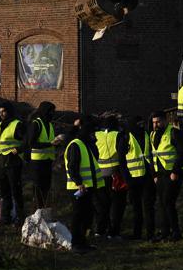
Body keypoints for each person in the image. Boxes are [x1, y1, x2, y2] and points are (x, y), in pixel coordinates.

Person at [65, 116, 103, 253]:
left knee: (86, 215)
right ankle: (76, 243)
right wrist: (79, 182)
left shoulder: (86, 144)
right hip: (78, 187)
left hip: (87, 186)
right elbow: (72, 166)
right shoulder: (76, 144)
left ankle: (83, 242)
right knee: (78, 216)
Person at [150, 110, 183, 242]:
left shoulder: (174, 132)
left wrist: (175, 171)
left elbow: (182, 153)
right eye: (154, 122)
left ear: (165, 121)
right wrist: (154, 174)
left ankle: (176, 232)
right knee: (162, 203)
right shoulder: (153, 134)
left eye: (158, 122)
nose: (156, 125)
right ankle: (165, 232)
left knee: (168, 202)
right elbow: (153, 154)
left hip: (172, 173)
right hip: (160, 174)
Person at [121, 116, 154, 240]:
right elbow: (122, 160)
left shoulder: (147, 134)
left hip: (147, 176)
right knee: (137, 208)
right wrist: (126, 178)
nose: (140, 127)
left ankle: (150, 234)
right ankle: (137, 233)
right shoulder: (126, 137)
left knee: (148, 206)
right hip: (133, 178)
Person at [0, 102, 25, 224]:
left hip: (13, 162)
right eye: (0, 111)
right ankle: (6, 217)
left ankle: (20, 217)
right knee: (4, 191)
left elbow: (26, 140)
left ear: (9, 111)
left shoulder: (17, 124)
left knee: (16, 190)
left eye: (4, 111)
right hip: (1, 162)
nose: (1, 114)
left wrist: (19, 150)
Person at [95, 116, 124, 239]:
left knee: (102, 205)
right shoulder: (118, 135)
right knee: (116, 205)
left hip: (100, 175)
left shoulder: (96, 135)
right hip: (115, 174)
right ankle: (113, 232)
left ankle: (100, 230)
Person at [26, 101, 59, 209]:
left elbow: (50, 142)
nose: (52, 114)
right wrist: (50, 144)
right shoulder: (36, 123)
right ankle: (37, 210)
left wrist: (57, 142)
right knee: (38, 188)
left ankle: (44, 209)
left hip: (48, 161)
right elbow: (32, 143)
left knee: (46, 188)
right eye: (51, 112)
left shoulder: (50, 124)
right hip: (37, 162)